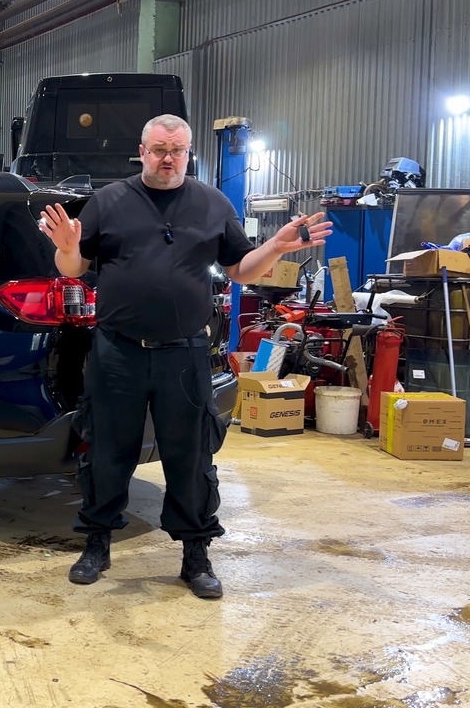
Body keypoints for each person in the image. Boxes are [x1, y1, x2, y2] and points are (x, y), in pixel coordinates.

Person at [39, 114, 332, 599]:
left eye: (177, 150)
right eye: (159, 149)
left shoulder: (212, 203)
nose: (168, 158)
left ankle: (195, 554)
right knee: (107, 450)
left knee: (191, 455)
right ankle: (97, 543)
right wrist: (66, 248)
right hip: (118, 352)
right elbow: (73, 266)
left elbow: (240, 271)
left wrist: (275, 247)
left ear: (189, 152)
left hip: (184, 353)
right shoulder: (109, 201)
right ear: (142, 151)